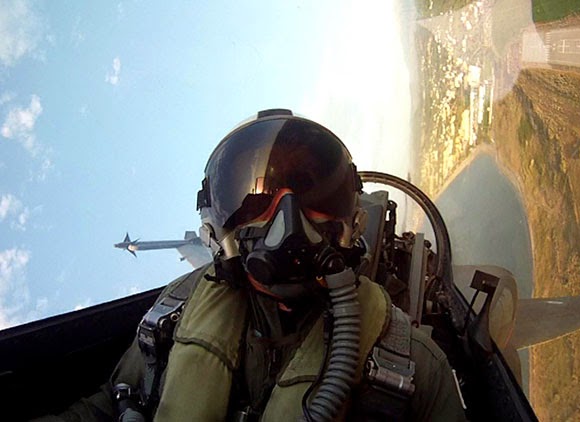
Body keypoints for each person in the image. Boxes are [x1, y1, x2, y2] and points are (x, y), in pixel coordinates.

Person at [39, 109, 466, 421]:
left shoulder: (408, 365)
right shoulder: (176, 312)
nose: (287, 219)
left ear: (352, 220)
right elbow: (108, 404)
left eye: (311, 190)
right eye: (255, 200)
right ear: (216, 230)